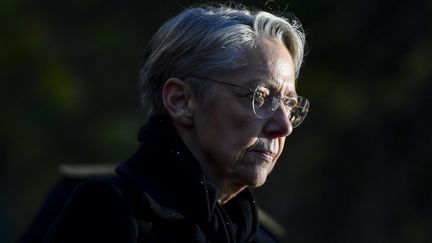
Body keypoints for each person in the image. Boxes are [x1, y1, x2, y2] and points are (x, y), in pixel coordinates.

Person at [34, 4, 309, 243]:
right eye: (259, 97)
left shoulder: (259, 237)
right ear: (180, 101)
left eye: (288, 103)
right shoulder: (108, 214)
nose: (283, 126)